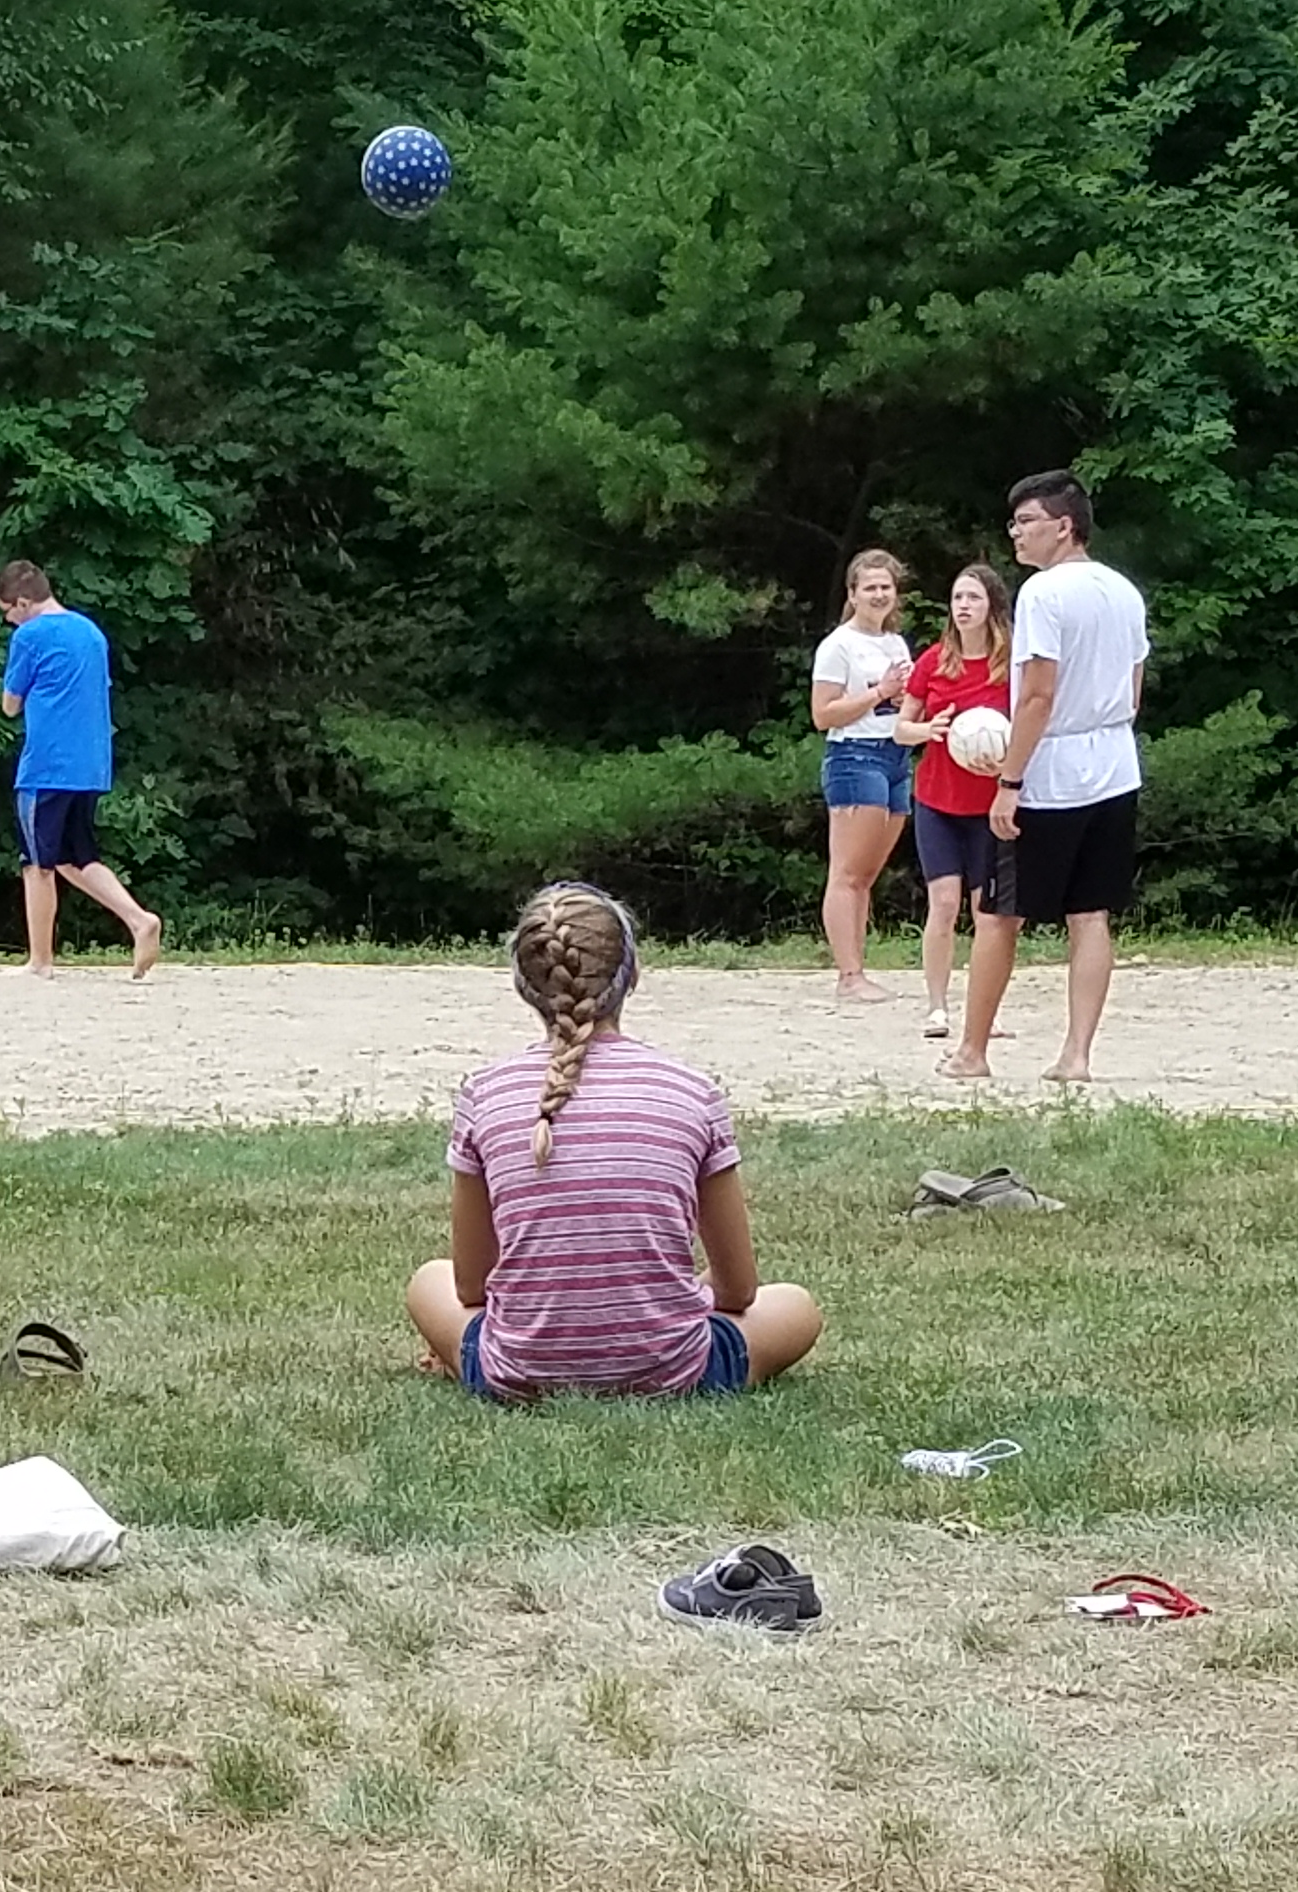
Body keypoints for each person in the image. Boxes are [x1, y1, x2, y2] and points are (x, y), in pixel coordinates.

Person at [404, 880, 821, 1401]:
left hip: (518, 1371)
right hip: (676, 1369)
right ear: (633, 973)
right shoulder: (692, 1091)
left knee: (430, 1280)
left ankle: (475, 1359)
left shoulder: (486, 1093)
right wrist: (669, 1296)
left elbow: (471, 1287)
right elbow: (738, 1290)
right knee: (796, 1306)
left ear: (522, 984)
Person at [947, 470, 1151, 1086]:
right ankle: (1076, 1055)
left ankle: (972, 1052)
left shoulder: (1042, 593)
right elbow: (1133, 693)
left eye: (1026, 521)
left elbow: (1037, 695)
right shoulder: (1124, 592)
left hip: (1052, 774)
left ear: (1064, 526)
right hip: (1114, 765)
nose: (1016, 532)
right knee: (1090, 914)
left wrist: (1009, 781)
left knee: (998, 913)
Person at [0, 560, 162, 979]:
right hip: (90, 763)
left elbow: (10, 705)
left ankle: (40, 962)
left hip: (46, 765)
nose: (9, 622)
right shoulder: (90, 632)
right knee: (76, 858)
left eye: (8, 613)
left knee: (36, 864)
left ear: (22, 602)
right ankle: (139, 919)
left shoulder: (29, 636)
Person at [893, 562, 1015, 1043]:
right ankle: (937, 1007)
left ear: (992, 606)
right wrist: (929, 729)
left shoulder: (1012, 666)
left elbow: (1033, 723)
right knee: (943, 903)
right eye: (958, 597)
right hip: (938, 800)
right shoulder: (934, 661)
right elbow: (901, 729)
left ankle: (986, 1010)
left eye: (973, 598)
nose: (963, 606)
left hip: (990, 806)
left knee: (989, 911)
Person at [808, 548, 914, 1002]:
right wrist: (879, 692)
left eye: (885, 586)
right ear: (852, 594)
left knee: (868, 874)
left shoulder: (895, 644)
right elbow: (823, 714)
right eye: (869, 587)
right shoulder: (838, 646)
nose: (879, 594)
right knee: (847, 872)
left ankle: (858, 968)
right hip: (855, 755)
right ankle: (848, 975)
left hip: (896, 755)